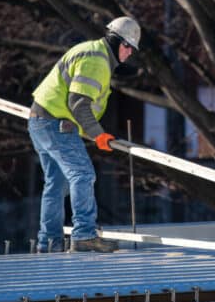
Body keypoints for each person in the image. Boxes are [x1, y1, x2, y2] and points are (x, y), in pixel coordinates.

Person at [28, 17, 140, 252]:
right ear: (120, 43)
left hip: (39, 121)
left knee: (56, 185)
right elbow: (78, 103)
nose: (130, 54)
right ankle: (84, 235)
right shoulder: (97, 61)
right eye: (130, 48)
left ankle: (49, 243)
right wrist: (98, 135)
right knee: (83, 175)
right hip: (58, 123)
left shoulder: (89, 50)